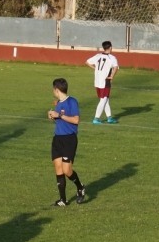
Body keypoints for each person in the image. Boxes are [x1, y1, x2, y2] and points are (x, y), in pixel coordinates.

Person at [47, 78, 86, 206]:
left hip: (69, 139)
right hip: (57, 139)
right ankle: (63, 200)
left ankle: (80, 187)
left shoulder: (72, 102)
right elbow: (60, 120)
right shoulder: (58, 102)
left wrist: (59, 115)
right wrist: (52, 116)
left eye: (53, 89)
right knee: (58, 168)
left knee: (67, 170)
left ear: (56, 90)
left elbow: (76, 120)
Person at [86, 40, 119, 124]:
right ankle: (96, 118)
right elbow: (115, 67)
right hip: (105, 80)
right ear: (110, 47)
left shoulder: (98, 55)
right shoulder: (111, 58)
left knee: (105, 98)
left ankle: (109, 117)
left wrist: (95, 68)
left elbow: (87, 62)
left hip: (97, 80)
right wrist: (112, 76)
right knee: (104, 99)